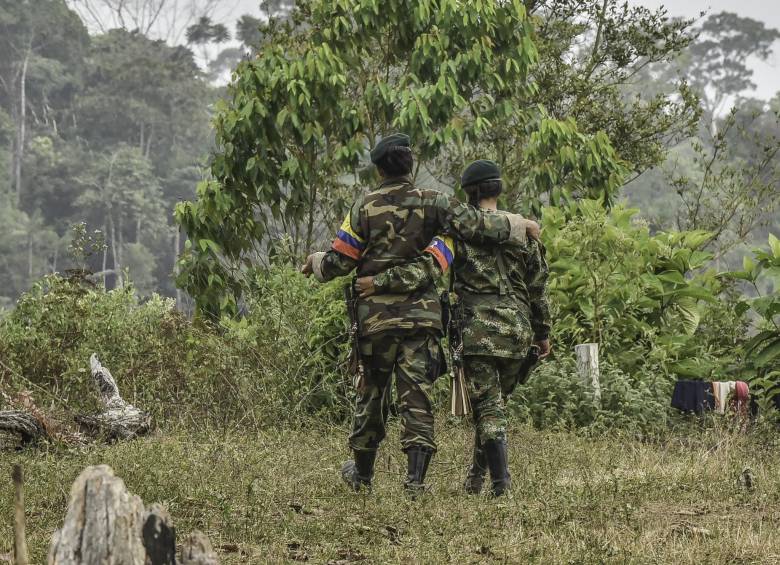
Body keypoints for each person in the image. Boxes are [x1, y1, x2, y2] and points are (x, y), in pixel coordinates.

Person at [301, 135, 538, 495]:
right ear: (410, 167)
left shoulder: (362, 208)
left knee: (371, 395)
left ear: (379, 168)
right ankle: (415, 481)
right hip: (422, 322)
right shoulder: (435, 202)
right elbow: (478, 225)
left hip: (374, 322)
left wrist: (316, 263)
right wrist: (520, 225)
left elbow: (341, 260)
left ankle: (362, 475)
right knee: (418, 398)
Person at [355, 159, 551, 496]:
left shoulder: (455, 236)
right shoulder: (524, 234)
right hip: (519, 332)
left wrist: (379, 282)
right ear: (498, 188)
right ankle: (476, 477)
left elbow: (429, 269)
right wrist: (543, 333)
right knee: (495, 406)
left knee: (488, 407)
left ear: (469, 193)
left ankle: (501, 484)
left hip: (479, 331)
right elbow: (538, 287)